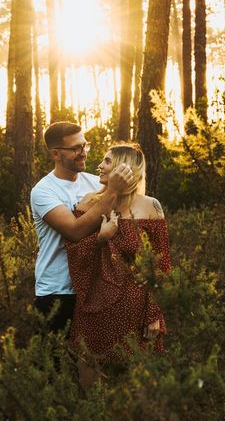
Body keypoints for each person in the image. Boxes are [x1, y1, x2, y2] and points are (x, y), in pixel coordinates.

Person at [65, 143, 172, 361]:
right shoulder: (88, 204)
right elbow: (74, 253)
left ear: (125, 168)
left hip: (135, 309)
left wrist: (154, 313)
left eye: (107, 161)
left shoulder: (151, 207)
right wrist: (100, 238)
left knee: (134, 384)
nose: (99, 166)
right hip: (93, 306)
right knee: (91, 377)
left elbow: (161, 265)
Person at [30, 122, 134, 334]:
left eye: (84, 145)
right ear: (56, 154)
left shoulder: (97, 183)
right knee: (55, 363)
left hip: (94, 288)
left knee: (93, 363)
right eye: (75, 148)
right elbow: (75, 231)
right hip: (57, 292)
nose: (83, 153)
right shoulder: (43, 191)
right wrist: (112, 191)